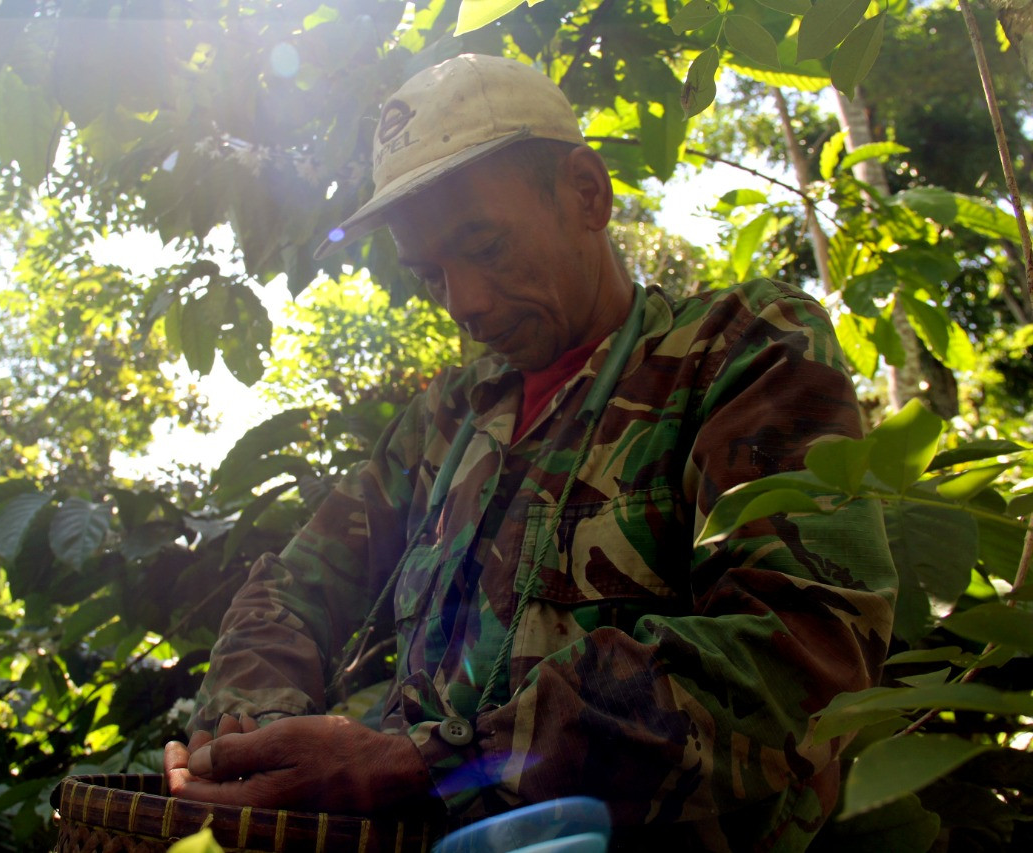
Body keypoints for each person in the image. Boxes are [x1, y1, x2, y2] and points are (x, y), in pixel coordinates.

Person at [164, 54, 897, 850]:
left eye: (485, 245)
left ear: (587, 193)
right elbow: (291, 594)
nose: (465, 302)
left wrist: (419, 765)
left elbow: (798, 652)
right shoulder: (444, 419)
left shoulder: (736, 354)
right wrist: (261, 744)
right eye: (431, 274)